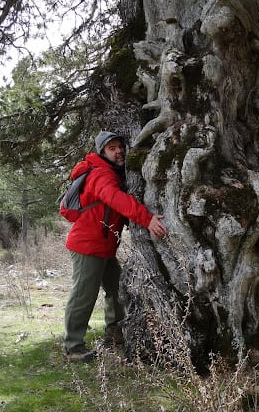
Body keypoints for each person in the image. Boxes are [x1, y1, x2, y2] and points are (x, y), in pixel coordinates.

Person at [63, 130, 167, 362]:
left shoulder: (112, 172)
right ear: (102, 152)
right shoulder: (101, 174)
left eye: (120, 146)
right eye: (112, 148)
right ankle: (73, 347)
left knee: (116, 288)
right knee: (83, 295)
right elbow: (115, 199)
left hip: (103, 246)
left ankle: (114, 332)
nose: (119, 151)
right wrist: (147, 219)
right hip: (87, 245)